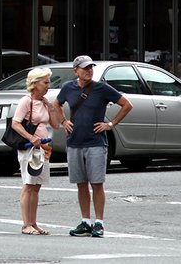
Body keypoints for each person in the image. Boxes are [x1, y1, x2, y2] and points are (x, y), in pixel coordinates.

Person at [54, 55, 134, 238]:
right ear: (76, 71)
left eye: (90, 67)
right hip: (74, 142)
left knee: (97, 183)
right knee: (81, 184)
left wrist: (110, 124)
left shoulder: (101, 88)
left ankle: (99, 223)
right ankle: (85, 222)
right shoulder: (68, 88)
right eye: (84, 68)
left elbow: (127, 105)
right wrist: (63, 121)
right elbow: (57, 103)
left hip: (96, 143)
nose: (89, 70)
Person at [11, 67, 55, 235]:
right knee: (28, 185)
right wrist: (31, 138)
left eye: (48, 82)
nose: (48, 86)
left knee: (36, 186)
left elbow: (56, 124)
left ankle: (33, 223)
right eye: (45, 82)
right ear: (35, 83)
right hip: (30, 149)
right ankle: (26, 224)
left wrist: (52, 108)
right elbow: (15, 123)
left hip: (43, 148)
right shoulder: (26, 101)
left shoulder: (44, 102)